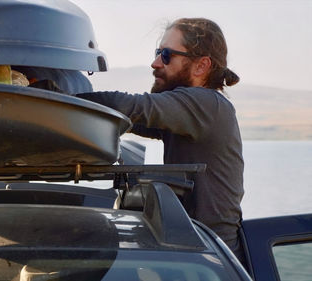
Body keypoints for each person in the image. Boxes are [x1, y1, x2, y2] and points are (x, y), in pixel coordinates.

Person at [77, 18, 245, 262]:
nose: (155, 63)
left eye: (166, 55)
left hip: (208, 258)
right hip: (196, 249)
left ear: (201, 66)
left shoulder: (207, 105)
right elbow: (122, 120)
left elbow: (128, 107)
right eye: (157, 53)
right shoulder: (190, 113)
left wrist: (58, 100)